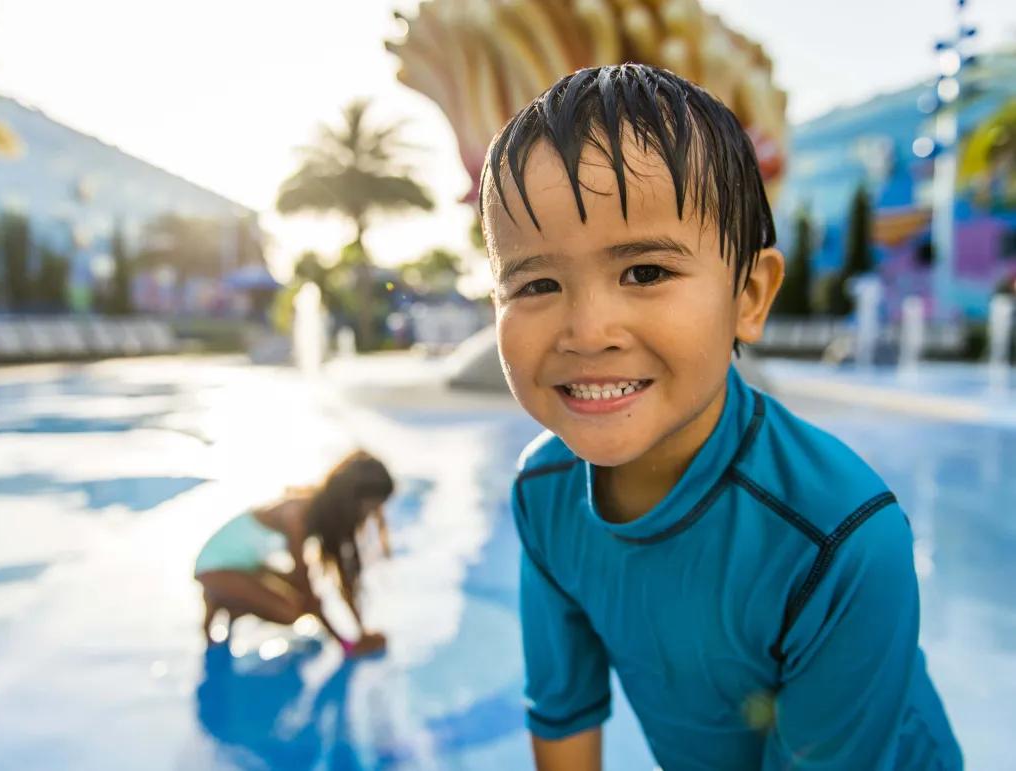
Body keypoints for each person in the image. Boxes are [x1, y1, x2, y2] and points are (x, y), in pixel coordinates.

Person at [479, 64, 962, 770]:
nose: (587, 330)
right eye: (537, 282)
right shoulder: (542, 490)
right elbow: (563, 710)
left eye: (645, 272)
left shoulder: (839, 540)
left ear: (751, 296)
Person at [195, 450, 393, 657]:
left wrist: (359, 634)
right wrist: (345, 643)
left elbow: (343, 578)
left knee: (301, 603)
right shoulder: (298, 515)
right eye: (370, 506)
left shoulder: (325, 516)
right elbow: (305, 584)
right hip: (213, 565)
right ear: (351, 499)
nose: (371, 514)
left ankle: (230, 597)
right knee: (291, 611)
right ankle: (221, 598)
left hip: (248, 566)